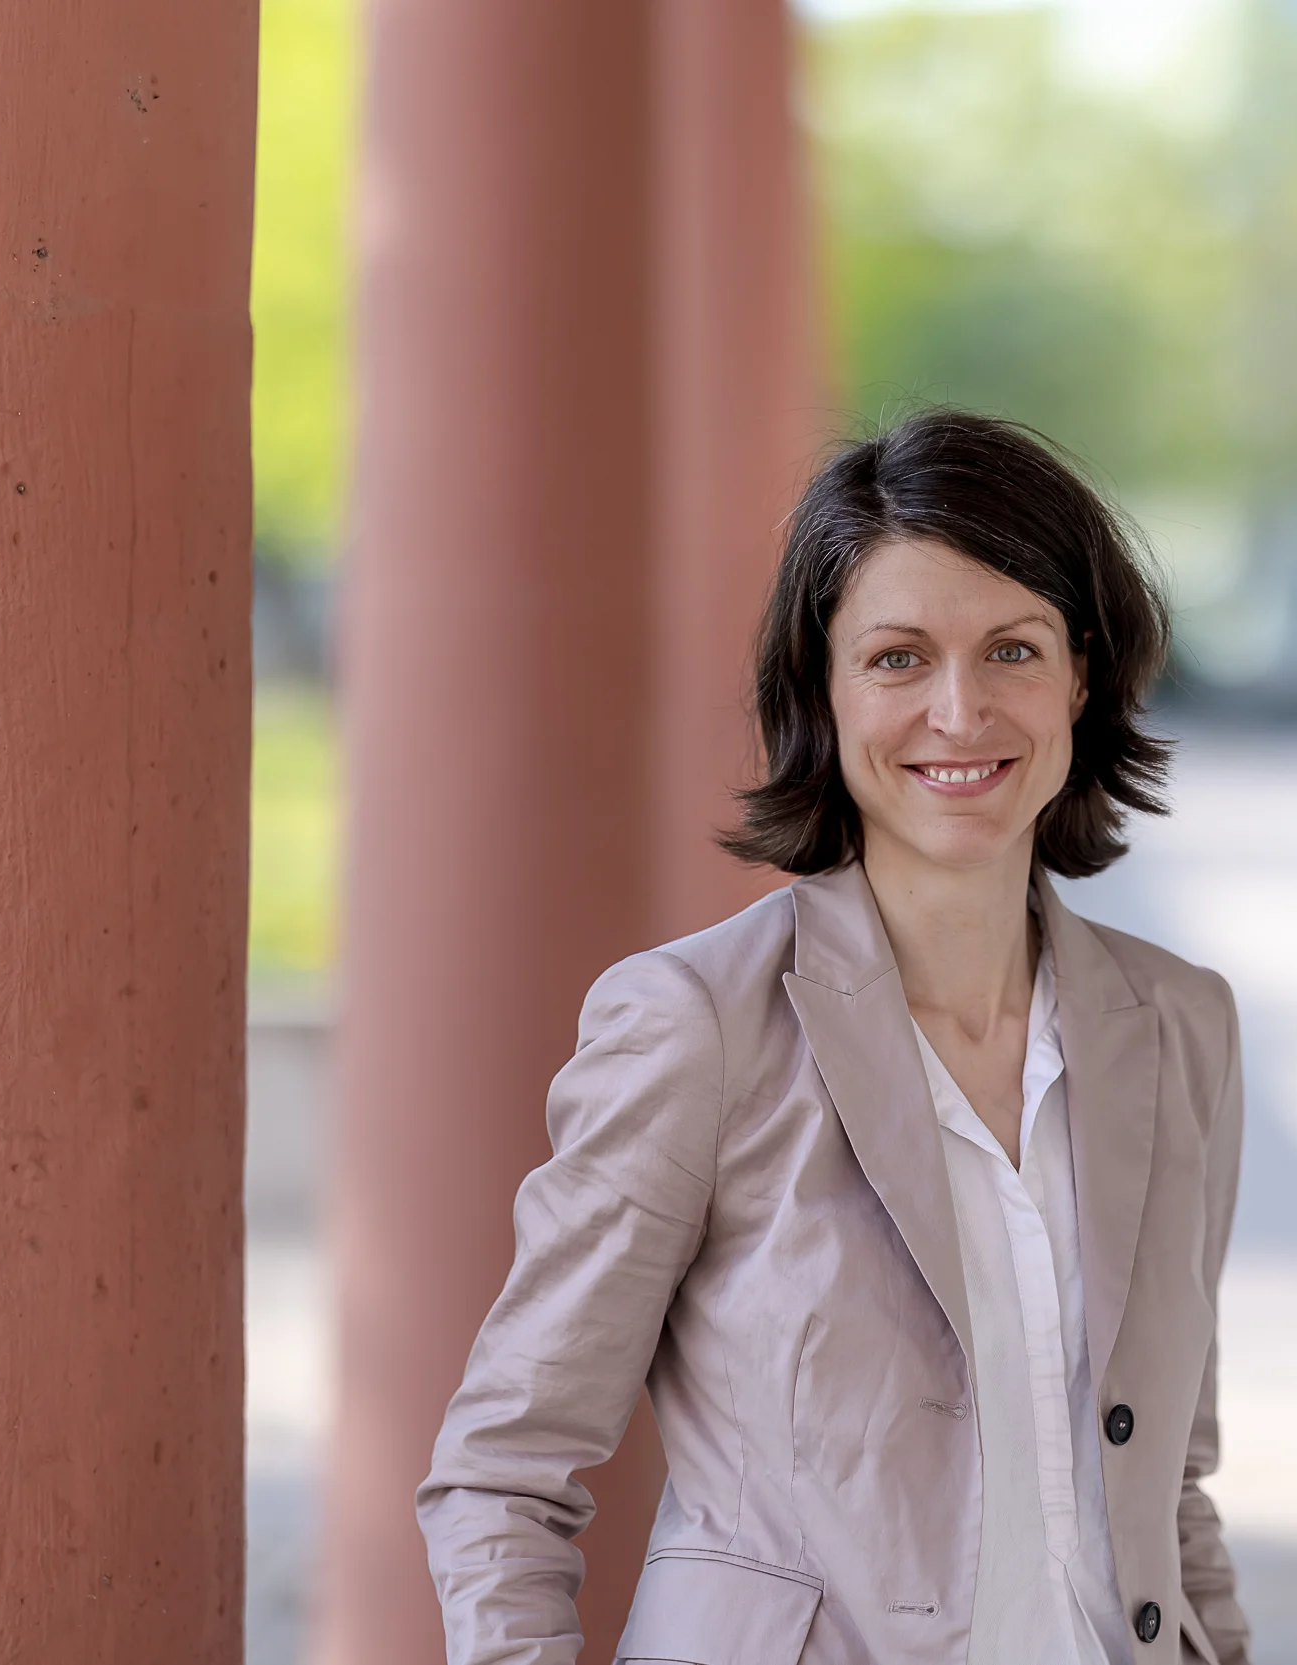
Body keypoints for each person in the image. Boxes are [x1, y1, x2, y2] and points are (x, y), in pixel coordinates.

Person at [417, 409, 1251, 1665]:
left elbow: (1171, 1489)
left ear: (1080, 677)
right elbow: (502, 1474)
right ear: (822, 685)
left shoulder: (1180, 1028)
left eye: (1012, 650)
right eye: (898, 658)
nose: (959, 711)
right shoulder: (698, 1025)